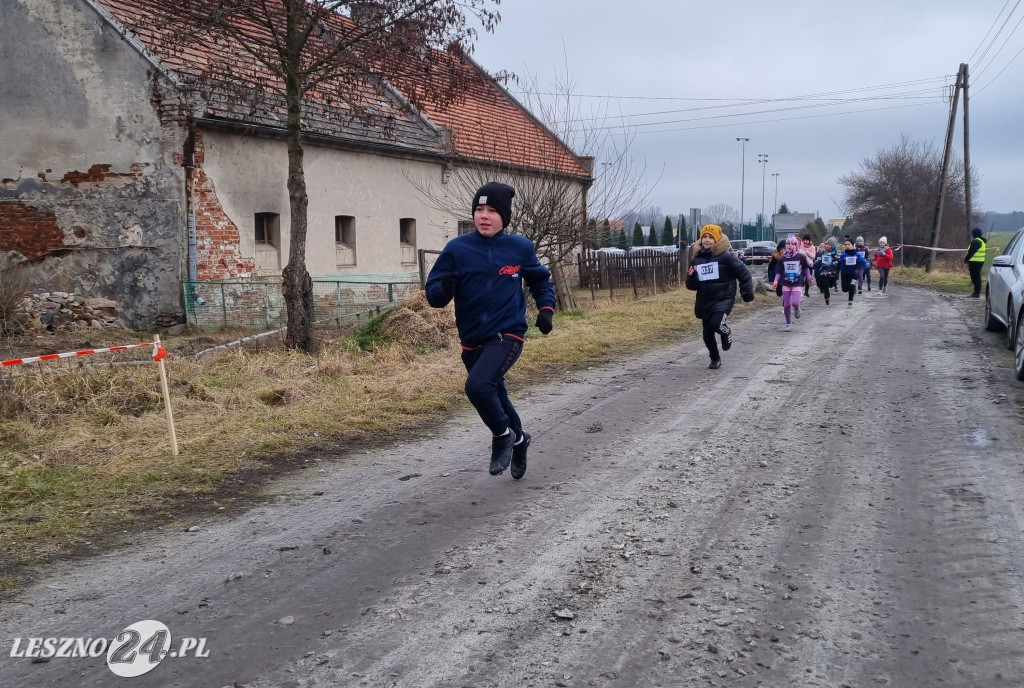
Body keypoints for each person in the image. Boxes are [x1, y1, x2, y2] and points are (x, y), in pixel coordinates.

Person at [425, 182, 554, 480]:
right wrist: (444, 288)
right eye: (479, 210)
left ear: (504, 217)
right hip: (472, 339)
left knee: (477, 386)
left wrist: (546, 309)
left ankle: (502, 436)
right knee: (496, 394)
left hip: (508, 333)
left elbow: (540, 280)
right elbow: (433, 295)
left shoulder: (519, 247)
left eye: (492, 211)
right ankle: (520, 440)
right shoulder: (457, 249)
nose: (484, 216)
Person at [685, 224, 755, 369]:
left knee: (716, 324)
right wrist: (691, 277)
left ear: (717, 240)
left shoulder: (726, 257)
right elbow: (691, 286)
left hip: (724, 298)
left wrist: (746, 292)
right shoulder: (696, 260)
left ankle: (725, 332)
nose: (707, 240)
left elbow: (744, 273)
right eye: (704, 237)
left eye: (711, 237)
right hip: (705, 300)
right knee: (707, 334)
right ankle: (715, 358)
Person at [772, 236, 814, 330]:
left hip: (797, 282)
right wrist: (775, 281)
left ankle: (797, 307)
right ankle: (788, 323)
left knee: (795, 302)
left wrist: (809, 278)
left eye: (792, 244)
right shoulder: (782, 259)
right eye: (788, 244)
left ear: (796, 245)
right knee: (786, 304)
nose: (790, 246)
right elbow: (778, 271)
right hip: (786, 283)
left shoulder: (801, 257)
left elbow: (806, 268)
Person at [839, 238, 869, 308]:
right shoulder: (843, 255)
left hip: (853, 274)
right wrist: (842, 261)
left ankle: (850, 301)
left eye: (848, 244)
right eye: (846, 245)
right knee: (845, 289)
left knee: (852, 286)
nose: (847, 246)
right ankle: (850, 290)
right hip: (845, 273)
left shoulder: (857, 254)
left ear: (853, 245)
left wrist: (866, 269)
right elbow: (839, 262)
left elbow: (863, 261)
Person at [813, 237, 840, 305]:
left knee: (831, 284)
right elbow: (820, 260)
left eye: (829, 244)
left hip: (832, 272)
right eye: (826, 244)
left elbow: (837, 262)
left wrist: (831, 263)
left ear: (832, 246)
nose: (827, 246)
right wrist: (815, 263)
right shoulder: (823, 253)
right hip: (824, 271)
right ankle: (827, 298)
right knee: (825, 285)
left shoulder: (835, 254)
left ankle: (832, 285)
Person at [964, 227, 987, 298]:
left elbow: (971, 252)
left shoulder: (976, 241)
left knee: (975, 277)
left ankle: (976, 293)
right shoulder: (981, 241)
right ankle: (976, 292)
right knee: (976, 277)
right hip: (979, 261)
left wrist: (966, 259)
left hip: (975, 262)